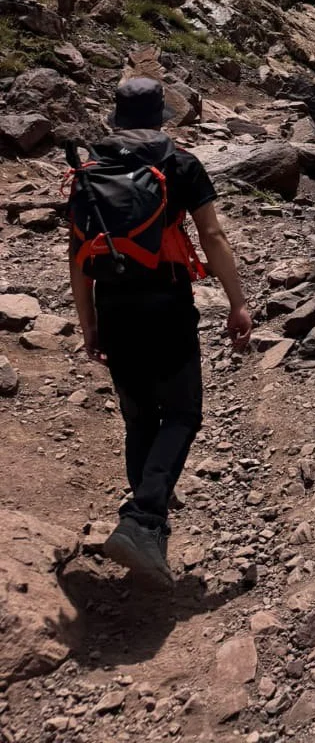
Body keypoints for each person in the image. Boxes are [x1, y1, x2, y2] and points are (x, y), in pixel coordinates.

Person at [67, 78, 252, 589]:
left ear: (116, 117)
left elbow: (76, 256)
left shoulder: (89, 169)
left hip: (113, 305)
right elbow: (212, 235)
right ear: (160, 116)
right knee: (185, 411)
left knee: (140, 417)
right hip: (167, 303)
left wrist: (89, 324)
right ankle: (145, 519)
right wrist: (238, 302)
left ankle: (148, 533)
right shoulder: (180, 164)